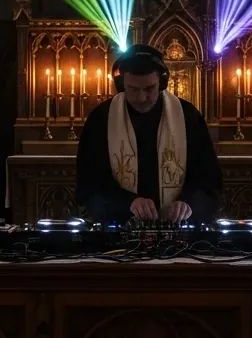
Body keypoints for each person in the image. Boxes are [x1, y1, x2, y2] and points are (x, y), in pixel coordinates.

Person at [76, 44, 221, 223]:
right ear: (121, 84)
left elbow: (207, 179)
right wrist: (127, 202)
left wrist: (187, 203)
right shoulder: (101, 119)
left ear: (162, 82)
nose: (141, 97)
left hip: (177, 229)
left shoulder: (188, 116)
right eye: (133, 89)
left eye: (149, 89)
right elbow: (90, 182)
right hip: (121, 229)